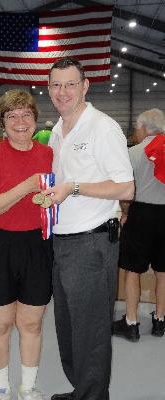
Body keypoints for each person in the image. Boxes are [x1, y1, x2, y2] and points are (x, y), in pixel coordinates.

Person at [43, 57, 134, 400]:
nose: (62, 92)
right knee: (68, 328)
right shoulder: (56, 131)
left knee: (91, 332)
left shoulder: (102, 127)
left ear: (85, 86)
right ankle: (82, 390)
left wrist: (74, 187)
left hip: (92, 243)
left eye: (70, 84)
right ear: (49, 88)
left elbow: (126, 188)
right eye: (56, 85)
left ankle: (92, 396)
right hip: (62, 242)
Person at [0, 90, 53, 400]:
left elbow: (58, 194)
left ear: (35, 119)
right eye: (12, 116)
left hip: (36, 245)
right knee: (1, 323)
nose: (20, 121)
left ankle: (28, 388)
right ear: (2, 123)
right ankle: (2, 389)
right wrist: (27, 186)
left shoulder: (48, 154)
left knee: (31, 323)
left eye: (26, 115)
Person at [112, 109, 165, 342]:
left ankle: (131, 323)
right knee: (164, 273)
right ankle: (160, 321)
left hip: (141, 215)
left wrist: (124, 214)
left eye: (136, 127)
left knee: (132, 271)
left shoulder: (133, 153)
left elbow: (125, 192)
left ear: (144, 128)